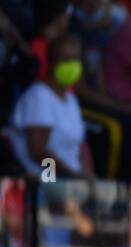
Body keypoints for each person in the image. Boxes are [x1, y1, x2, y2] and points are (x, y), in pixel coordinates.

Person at [3, 31, 92, 178]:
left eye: (76, 59)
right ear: (51, 63)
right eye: (65, 60)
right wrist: (62, 177)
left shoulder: (70, 99)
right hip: (44, 178)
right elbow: (38, 152)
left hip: (71, 179)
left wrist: (87, 176)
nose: (72, 65)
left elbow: (75, 149)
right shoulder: (39, 96)